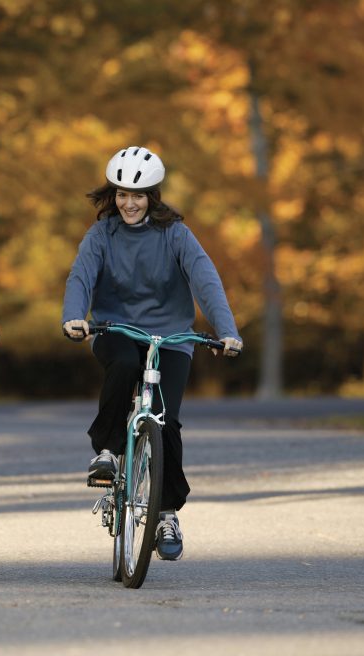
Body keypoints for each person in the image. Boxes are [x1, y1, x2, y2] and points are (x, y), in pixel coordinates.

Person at [61, 146, 242, 561]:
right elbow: (81, 276)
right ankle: (107, 451)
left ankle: (166, 512)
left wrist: (227, 331)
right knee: (123, 362)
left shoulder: (175, 233)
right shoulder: (101, 235)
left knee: (166, 420)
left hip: (171, 337)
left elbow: (205, 280)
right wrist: (74, 317)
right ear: (113, 194)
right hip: (115, 329)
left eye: (138, 195)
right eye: (122, 194)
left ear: (152, 197)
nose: (129, 203)